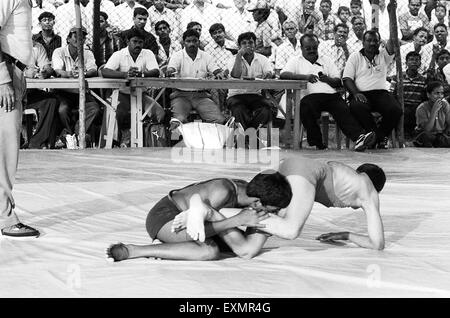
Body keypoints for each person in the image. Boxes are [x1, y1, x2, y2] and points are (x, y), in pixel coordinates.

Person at [174, 158, 387, 252]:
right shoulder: (370, 192)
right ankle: (207, 210)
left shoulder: (351, 176)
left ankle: (210, 212)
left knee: (255, 234)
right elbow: (377, 244)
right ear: (377, 187)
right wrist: (349, 236)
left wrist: (344, 234)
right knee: (290, 229)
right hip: (305, 173)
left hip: (294, 166)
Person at [107, 175, 292, 261]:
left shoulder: (250, 194)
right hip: (167, 217)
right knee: (210, 250)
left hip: (196, 224)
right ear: (258, 202)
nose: (271, 214)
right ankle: (136, 250)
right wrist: (238, 220)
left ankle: (169, 247)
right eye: (271, 210)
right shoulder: (223, 191)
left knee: (219, 249)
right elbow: (199, 227)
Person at [280, 34, 376, 151]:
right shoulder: (295, 60)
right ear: (301, 48)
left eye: (314, 47)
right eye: (308, 48)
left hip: (330, 95)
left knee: (343, 108)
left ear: (318, 46)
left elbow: (338, 81)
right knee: (305, 108)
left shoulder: (326, 60)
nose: (311, 51)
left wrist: (327, 79)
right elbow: (283, 75)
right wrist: (305, 77)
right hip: (310, 96)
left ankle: (359, 138)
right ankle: (318, 144)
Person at [1, 0, 41, 238]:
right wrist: (2, 79)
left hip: (15, 70)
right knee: (5, 150)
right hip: (5, 72)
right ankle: (4, 217)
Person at [102, 28, 165, 147]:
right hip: (122, 95)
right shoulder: (119, 54)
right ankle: (111, 144)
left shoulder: (148, 53)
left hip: (141, 95)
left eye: (140, 42)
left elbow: (155, 71)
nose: (138, 45)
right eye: (134, 41)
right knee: (111, 109)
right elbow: (105, 71)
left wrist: (141, 74)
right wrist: (125, 74)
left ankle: (152, 144)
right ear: (127, 41)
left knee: (159, 113)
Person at [343, 27, 403, 149]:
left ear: (379, 42)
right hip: (362, 93)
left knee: (395, 109)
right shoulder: (355, 56)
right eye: (369, 40)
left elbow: (393, 40)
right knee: (356, 106)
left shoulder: (384, 55)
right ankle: (379, 137)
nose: (372, 43)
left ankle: (377, 137)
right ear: (363, 42)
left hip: (381, 94)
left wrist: (391, 11)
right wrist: (356, 93)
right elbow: (347, 79)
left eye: (375, 40)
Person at [166, 29, 226, 130]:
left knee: (219, 120)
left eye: (194, 41)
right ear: (183, 43)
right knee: (176, 122)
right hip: (181, 95)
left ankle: (208, 143)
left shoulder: (206, 56)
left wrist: (219, 73)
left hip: (201, 96)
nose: (192, 44)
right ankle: (180, 144)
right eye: (188, 41)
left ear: (199, 42)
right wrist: (170, 70)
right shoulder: (177, 56)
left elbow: (215, 70)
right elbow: (171, 68)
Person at [51, 26, 101, 149]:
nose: (79, 39)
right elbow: (58, 70)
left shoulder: (88, 53)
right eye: (76, 36)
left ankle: (77, 134)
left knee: (94, 108)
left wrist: (83, 73)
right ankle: (69, 134)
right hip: (64, 92)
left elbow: (93, 70)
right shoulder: (59, 51)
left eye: (82, 37)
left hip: (82, 91)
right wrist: (69, 74)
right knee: (62, 109)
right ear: (68, 39)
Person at [227, 32, 275, 130]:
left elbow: (269, 73)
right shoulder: (233, 59)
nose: (248, 45)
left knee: (267, 109)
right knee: (238, 110)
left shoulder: (262, 59)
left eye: (250, 42)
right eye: (244, 43)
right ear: (239, 46)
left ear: (255, 44)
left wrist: (268, 75)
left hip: (255, 95)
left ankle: (251, 133)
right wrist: (239, 55)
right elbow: (236, 75)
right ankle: (243, 137)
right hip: (236, 96)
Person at [23, 41, 59, 149]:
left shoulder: (37, 47)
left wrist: (45, 72)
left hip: (29, 93)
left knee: (51, 100)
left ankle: (36, 142)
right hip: (10, 92)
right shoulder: (7, 44)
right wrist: (24, 73)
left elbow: (47, 66)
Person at [390, 51, 427, 140]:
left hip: (416, 106)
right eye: (411, 60)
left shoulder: (423, 79)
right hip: (402, 105)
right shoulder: (398, 77)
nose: (414, 62)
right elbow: (392, 93)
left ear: (420, 63)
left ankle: (412, 133)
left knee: (415, 111)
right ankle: (403, 133)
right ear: (406, 63)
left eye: (417, 60)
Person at [413, 81, 450, 147]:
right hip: (426, 135)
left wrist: (445, 134)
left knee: (442, 139)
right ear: (428, 95)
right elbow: (427, 129)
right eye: (437, 93)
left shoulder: (445, 105)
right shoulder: (421, 108)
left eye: (442, 93)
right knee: (426, 136)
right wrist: (434, 111)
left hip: (440, 135)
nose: (440, 96)